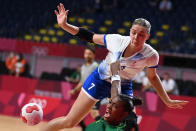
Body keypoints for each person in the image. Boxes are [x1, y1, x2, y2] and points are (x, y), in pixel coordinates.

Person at [40, 3, 188, 131]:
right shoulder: (116, 41)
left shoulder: (151, 55)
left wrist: (166, 100)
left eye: (141, 35)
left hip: (123, 85)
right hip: (99, 80)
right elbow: (89, 36)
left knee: (131, 124)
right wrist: (64, 25)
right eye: (134, 32)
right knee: (70, 122)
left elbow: (152, 77)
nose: (136, 37)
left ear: (147, 36)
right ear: (129, 31)